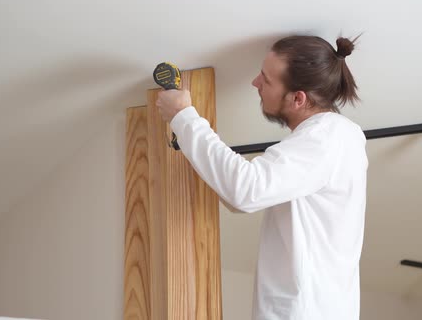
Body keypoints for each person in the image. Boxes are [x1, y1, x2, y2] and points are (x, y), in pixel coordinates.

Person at [156, 35, 368, 320]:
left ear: (298, 98)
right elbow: (239, 197)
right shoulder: (331, 140)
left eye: (266, 80)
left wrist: (183, 117)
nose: (255, 83)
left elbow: (245, 191)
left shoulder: (328, 137)